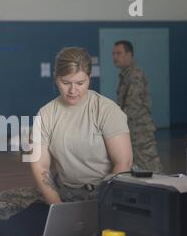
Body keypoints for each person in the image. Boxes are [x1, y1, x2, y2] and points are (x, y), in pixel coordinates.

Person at [30, 47, 133, 204]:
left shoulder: (106, 109)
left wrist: (103, 205)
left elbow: (123, 163)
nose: (73, 90)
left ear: (89, 78)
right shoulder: (45, 114)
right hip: (67, 192)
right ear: (56, 78)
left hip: (108, 190)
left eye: (80, 83)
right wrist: (57, 208)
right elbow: (40, 167)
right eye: (65, 83)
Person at [113, 40, 163, 173]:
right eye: (113, 54)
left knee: (150, 166)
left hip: (140, 132)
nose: (115, 57)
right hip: (131, 129)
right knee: (136, 168)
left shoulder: (135, 75)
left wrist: (116, 126)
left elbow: (132, 106)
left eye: (119, 53)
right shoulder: (125, 74)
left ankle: (164, 191)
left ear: (129, 55)